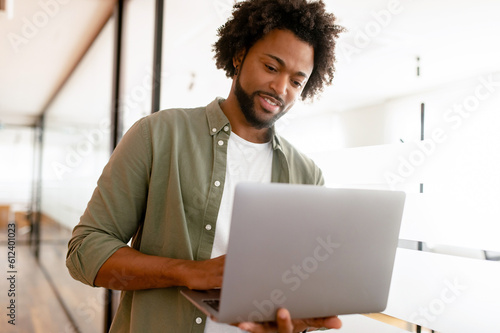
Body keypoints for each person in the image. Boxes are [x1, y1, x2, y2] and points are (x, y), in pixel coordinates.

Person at [66, 0, 345, 332]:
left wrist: (296, 322)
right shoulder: (158, 134)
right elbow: (85, 252)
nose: (281, 88)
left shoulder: (308, 176)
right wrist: (187, 271)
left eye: (296, 82)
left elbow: (298, 287)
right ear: (239, 55)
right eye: (271, 67)